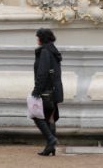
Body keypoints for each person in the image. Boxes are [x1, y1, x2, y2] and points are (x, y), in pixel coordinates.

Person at [31, 28, 63, 156]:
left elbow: (42, 73)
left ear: (41, 39)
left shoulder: (45, 52)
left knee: (36, 116)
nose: (37, 39)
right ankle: (50, 147)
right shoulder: (53, 50)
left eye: (38, 37)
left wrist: (36, 91)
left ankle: (51, 139)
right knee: (50, 118)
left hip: (46, 91)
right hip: (54, 90)